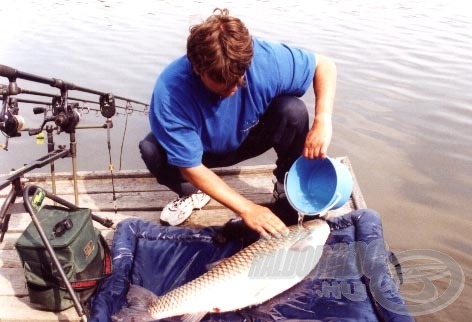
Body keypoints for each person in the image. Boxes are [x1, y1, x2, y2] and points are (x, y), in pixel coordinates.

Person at [139, 8, 336, 239]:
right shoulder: (170, 93)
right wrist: (248, 209)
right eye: (221, 81)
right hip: (201, 153)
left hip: (248, 134)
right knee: (152, 150)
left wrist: (323, 120)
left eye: (239, 79)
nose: (232, 89)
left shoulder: (264, 59)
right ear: (197, 68)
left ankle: (287, 189)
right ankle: (193, 192)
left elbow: (324, 66)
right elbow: (190, 166)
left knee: (293, 110)